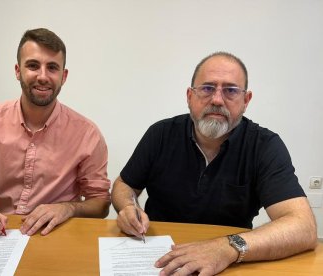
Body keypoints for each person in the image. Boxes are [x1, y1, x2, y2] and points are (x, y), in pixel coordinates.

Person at [111, 52, 317, 275]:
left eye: (230, 90)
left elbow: (303, 227)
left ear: (246, 101)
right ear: (190, 96)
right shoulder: (160, 134)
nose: (217, 100)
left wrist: (227, 247)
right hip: (157, 257)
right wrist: (128, 207)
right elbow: (125, 184)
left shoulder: (264, 145)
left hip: (230, 262)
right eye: (207, 88)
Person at [0, 28, 111, 238]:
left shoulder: (87, 134)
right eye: (33, 65)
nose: (43, 76)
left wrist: (69, 208)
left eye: (52, 67)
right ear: (18, 71)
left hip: (58, 237)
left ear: (64, 76)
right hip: (1, 235)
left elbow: (101, 204)